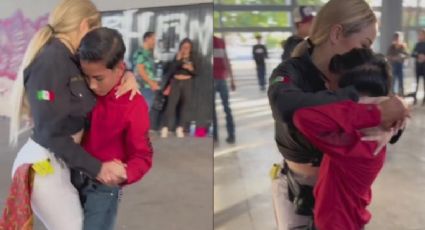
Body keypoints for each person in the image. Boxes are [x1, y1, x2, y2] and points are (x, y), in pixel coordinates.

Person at [268, 0, 409, 229]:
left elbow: (387, 107)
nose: (367, 52)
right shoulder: (292, 71)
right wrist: (365, 106)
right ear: (336, 33)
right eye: (365, 43)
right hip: (299, 184)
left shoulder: (356, 70)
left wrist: (392, 122)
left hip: (338, 187)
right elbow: (286, 106)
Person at [1, 0, 138, 229]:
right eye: (95, 32)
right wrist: (98, 168)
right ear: (85, 26)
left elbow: (100, 72)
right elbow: (51, 133)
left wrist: (125, 75)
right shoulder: (51, 61)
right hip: (44, 164)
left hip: (61, 163)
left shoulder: (70, 59)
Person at [294, 48, 405, 230]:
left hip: (336, 224)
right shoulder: (370, 133)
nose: (328, 95)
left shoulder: (359, 142)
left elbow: (303, 118)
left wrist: (374, 112)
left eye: (336, 93)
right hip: (344, 219)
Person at [75, 27, 153, 230]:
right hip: (70, 175)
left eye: (98, 78)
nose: (91, 85)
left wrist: (125, 172)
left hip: (102, 188)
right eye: (86, 76)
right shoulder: (84, 80)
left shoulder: (134, 106)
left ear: (119, 67)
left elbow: (143, 156)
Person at [161, 38, 196, 138]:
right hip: (176, 82)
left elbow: (197, 72)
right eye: (184, 47)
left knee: (185, 106)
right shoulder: (177, 56)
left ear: (190, 48)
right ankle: (165, 128)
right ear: (181, 47)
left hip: (187, 83)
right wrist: (178, 60)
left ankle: (180, 128)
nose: (185, 49)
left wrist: (191, 68)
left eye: (187, 47)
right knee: (171, 105)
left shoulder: (193, 58)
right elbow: (171, 70)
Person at [213, 35, 236, 144]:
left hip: (221, 79)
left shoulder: (220, 41)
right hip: (215, 79)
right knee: (220, 109)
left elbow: (226, 60)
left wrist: (232, 79)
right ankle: (216, 136)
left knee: (226, 108)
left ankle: (230, 135)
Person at [133, 31, 158, 109]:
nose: (155, 42)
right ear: (147, 39)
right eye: (153, 39)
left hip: (149, 88)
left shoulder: (149, 54)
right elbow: (140, 70)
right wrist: (151, 83)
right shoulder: (141, 53)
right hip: (143, 87)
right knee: (142, 112)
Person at [387, 32, 408, 96]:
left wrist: (401, 57)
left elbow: (406, 55)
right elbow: (388, 56)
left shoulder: (403, 47)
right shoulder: (391, 47)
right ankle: (393, 93)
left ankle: (401, 93)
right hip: (393, 66)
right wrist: (393, 58)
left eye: (398, 38)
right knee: (393, 80)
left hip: (401, 66)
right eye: (395, 38)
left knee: (401, 81)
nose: (397, 40)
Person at [411, 29, 425, 105]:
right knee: (416, 83)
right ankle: (415, 98)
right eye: (419, 35)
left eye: (421, 34)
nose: (420, 36)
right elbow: (413, 53)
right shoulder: (417, 44)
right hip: (418, 66)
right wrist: (418, 55)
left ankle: (424, 99)